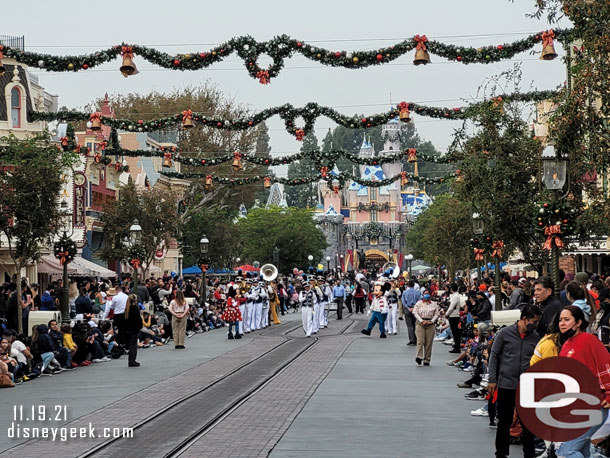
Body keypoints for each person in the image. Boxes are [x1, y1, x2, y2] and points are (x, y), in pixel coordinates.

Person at [551, 305, 610, 457]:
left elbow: (607, 366)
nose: (562, 323)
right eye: (560, 320)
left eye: (567, 320)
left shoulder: (590, 341)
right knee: (581, 450)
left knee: (566, 451)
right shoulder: (566, 344)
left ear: (578, 323)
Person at [487, 305, 542, 458]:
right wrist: (492, 379)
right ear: (524, 319)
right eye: (534, 321)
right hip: (506, 384)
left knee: (528, 423)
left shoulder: (535, 337)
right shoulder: (504, 333)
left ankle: (529, 454)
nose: (535, 324)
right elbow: (494, 356)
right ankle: (501, 453)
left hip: (526, 385)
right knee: (504, 421)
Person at [412, 289, 439, 366]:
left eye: (428, 294)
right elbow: (415, 312)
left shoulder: (434, 304)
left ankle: (427, 359)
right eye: (425, 294)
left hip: (430, 323)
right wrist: (421, 320)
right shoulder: (419, 303)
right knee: (420, 341)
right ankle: (419, 356)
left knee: (428, 343)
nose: (426, 295)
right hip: (420, 323)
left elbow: (436, 314)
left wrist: (432, 321)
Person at [124, 294, 142, 367]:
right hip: (134, 329)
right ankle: (132, 360)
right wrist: (139, 326)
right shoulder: (135, 308)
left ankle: (131, 360)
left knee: (131, 345)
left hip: (128, 329)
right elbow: (138, 319)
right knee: (133, 345)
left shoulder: (127, 309)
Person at [401, 280, 420, 346]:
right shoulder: (417, 293)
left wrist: (408, 308)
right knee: (416, 325)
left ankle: (412, 340)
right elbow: (419, 301)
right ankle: (416, 338)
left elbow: (403, 302)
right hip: (415, 309)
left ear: (408, 285)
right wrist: (414, 307)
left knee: (409, 325)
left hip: (408, 309)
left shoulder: (405, 292)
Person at [446, 283, 462, 354]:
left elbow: (451, 307)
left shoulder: (455, 296)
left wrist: (447, 314)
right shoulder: (455, 296)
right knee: (455, 332)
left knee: (455, 332)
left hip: (454, 315)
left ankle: (457, 347)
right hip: (453, 315)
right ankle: (456, 345)